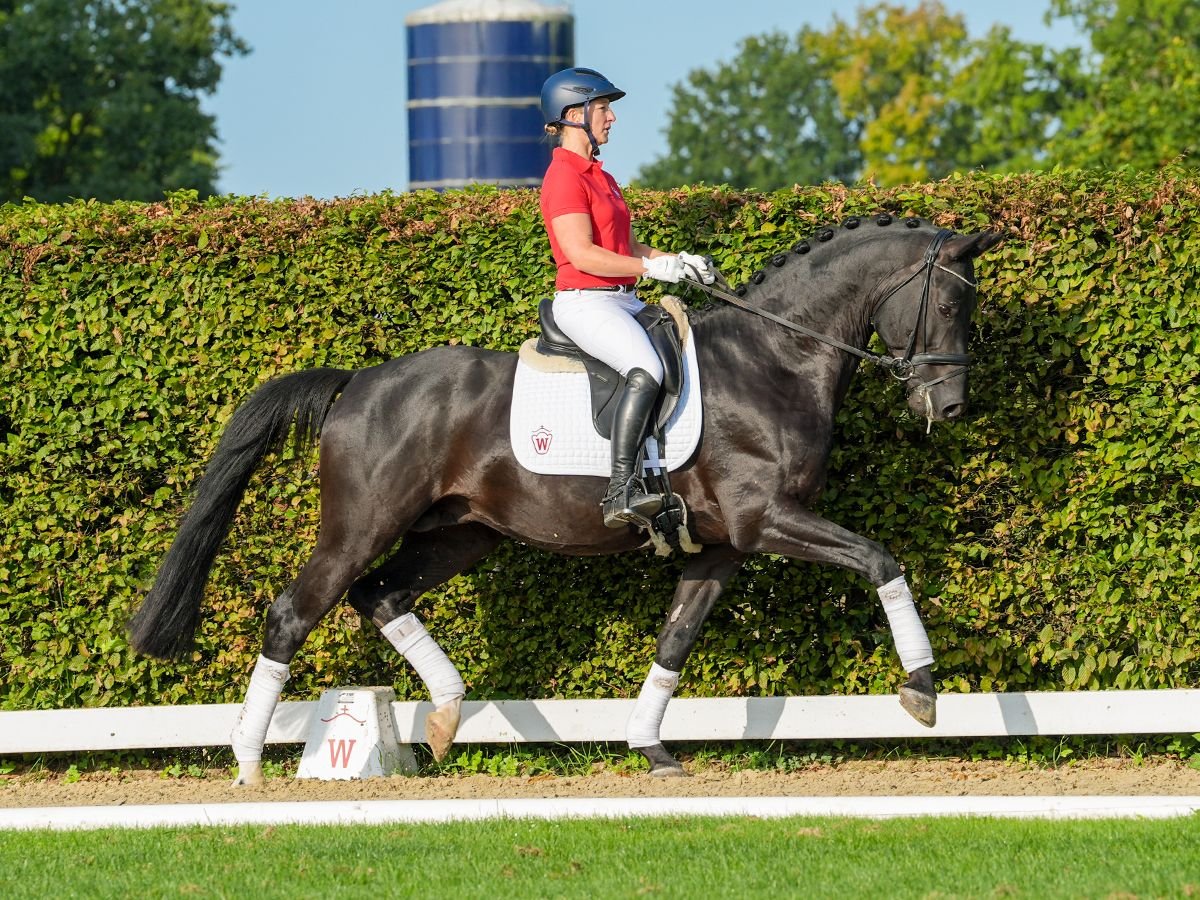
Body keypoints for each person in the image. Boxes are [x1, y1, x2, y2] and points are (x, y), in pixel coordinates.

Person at [538, 66, 715, 529]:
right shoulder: (563, 177)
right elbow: (581, 253)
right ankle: (620, 490)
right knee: (647, 368)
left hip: (622, 299)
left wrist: (677, 260)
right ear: (574, 114)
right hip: (585, 301)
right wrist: (648, 268)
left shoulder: (603, 175)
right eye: (603, 108)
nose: (612, 117)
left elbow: (628, 248)